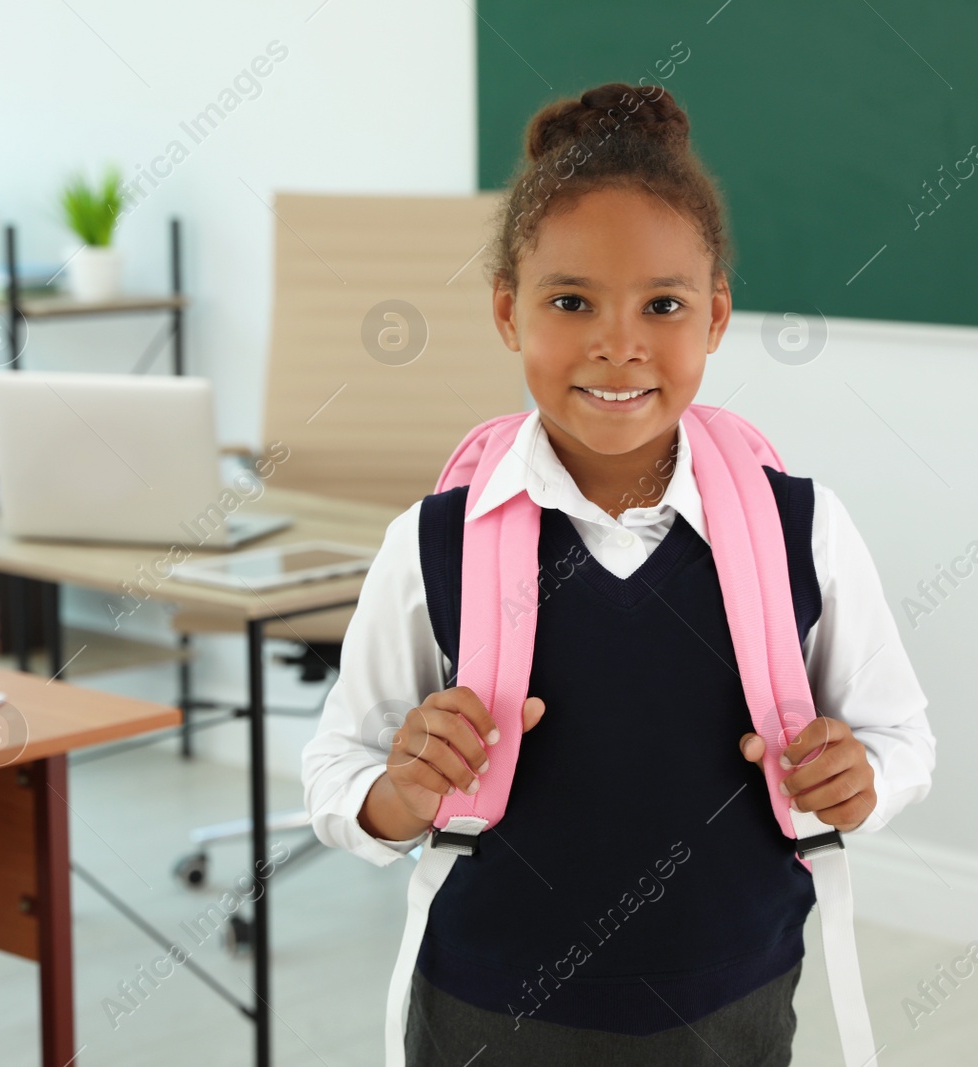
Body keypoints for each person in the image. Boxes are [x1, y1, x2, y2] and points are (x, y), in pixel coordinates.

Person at [302, 80, 935, 1067]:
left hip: (731, 1004)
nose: (618, 342)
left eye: (664, 304)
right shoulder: (431, 542)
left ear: (716, 316)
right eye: (570, 301)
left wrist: (864, 778)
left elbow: (900, 735)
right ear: (508, 312)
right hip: (486, 1011)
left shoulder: (800, 527)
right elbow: (338, 766)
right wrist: (396, 791)